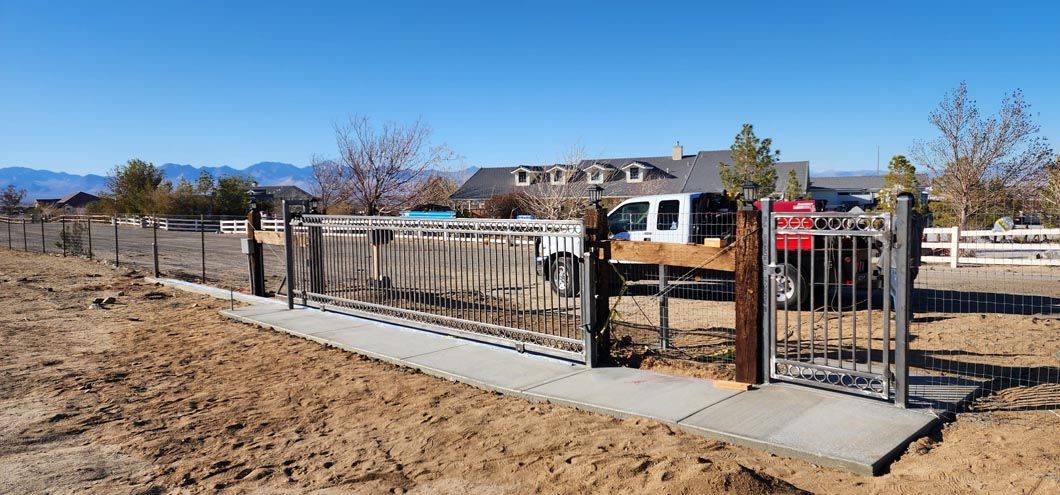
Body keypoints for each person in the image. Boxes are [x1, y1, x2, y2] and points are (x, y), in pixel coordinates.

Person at [890, 192, 924, 321]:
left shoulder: (899, 219)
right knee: (908, 290)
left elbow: (891, 237)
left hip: (898, 260)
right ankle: (907, 314)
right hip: (913, 260)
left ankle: (901, 316)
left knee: (897, 291)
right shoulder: (919, 218)